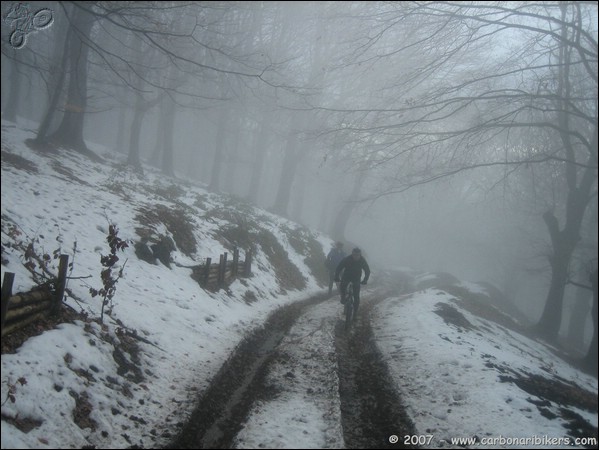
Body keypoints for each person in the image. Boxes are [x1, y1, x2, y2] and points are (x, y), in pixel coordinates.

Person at [334, 247, 370, 317]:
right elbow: (339, 268)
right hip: (346, 277)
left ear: (360, 255)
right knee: (342, 286)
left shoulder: (362, 260)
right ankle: (343, 297)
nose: (356, 256)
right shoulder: (347, 259)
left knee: (356, 296)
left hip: (356, 278)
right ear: (352, 254)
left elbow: (367, 270)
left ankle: (355, 312)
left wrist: (365, 279)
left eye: (357, 255)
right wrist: (336, 277)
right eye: (354, 255)